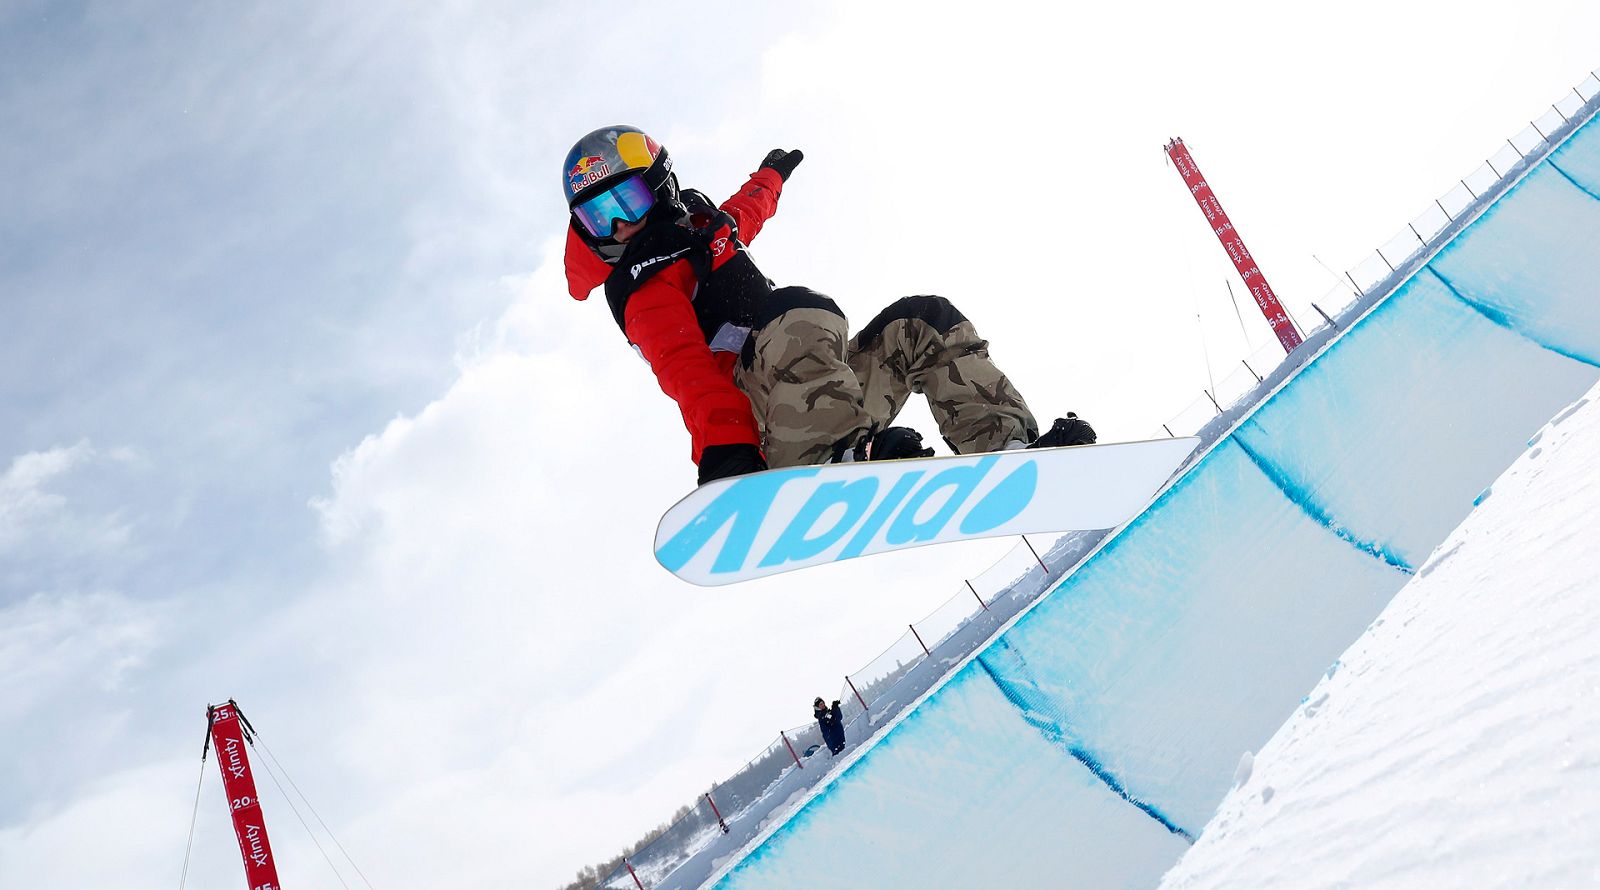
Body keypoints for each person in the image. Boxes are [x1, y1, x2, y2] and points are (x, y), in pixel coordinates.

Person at [561, 125, 1096, 486]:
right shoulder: (643, 288)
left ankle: (1009, 448)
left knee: (921, 320)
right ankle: (839, 455)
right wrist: (725, 454)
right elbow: (685, 371)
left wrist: (770, 176)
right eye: (596, 219)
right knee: (797, 312)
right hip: (762, 428)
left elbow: (744, 213)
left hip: (819, 394)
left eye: (624, 201)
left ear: (662, 187)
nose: (617, 226)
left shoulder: (705, 235)